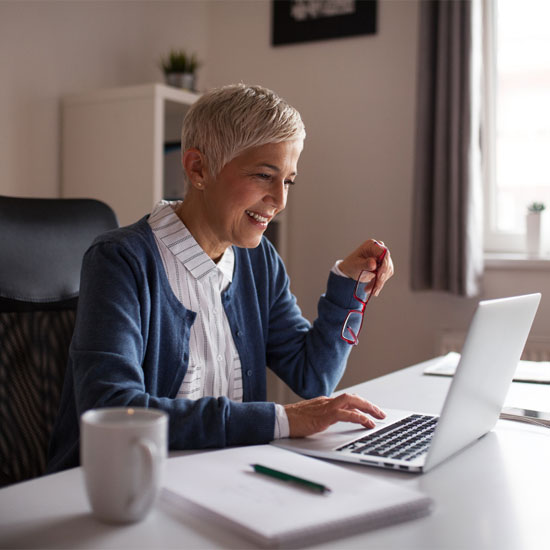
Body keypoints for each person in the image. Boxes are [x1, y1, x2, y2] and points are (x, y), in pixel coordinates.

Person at [47, 84, 394, 472]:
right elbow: (113, 409)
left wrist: (350, 284)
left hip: (220, 478)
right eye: (265, 176)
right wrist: (283, 419)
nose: (280, 200)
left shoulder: (259, 260)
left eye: (288, 181)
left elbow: (315, 376)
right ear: (198, 168)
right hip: (121, 485)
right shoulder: (120, 261)